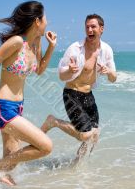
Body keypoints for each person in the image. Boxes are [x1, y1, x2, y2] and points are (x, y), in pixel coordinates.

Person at [0, 1, 57, 186]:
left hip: (17, 108)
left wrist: (51, 47)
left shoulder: (35, 44)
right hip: (2, 108)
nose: (48, 21)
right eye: (45, 17)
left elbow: (39, 70)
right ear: (37, 21)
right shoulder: (16, 42)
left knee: (10, 165)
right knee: (46, 146)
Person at [41, 13, 116, 161]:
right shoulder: (75, 48)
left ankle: (77, 167)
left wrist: (108, 72)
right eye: (87, 27)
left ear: (101, 29)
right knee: (85, 134)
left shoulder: (106, 50)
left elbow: (114, 78)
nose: (89, 30)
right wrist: (69, 70)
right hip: (72, 93)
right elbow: (61, 76)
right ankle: (53, 122)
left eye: (93, 26)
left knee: (94, 136)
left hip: (88, 95)